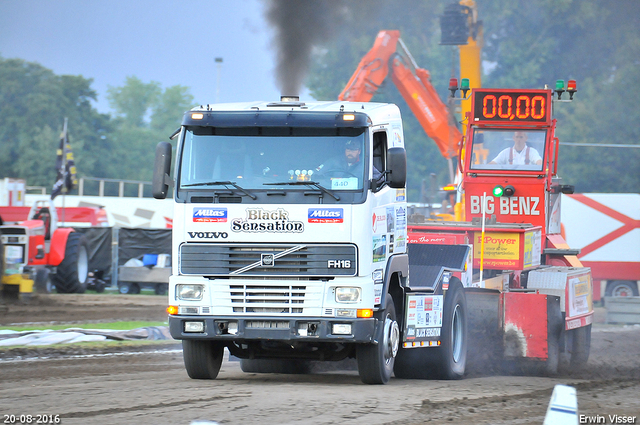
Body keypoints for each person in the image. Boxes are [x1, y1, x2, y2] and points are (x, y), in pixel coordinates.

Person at [316, 139, 381, 180]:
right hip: (332, 193)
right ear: (345, 150)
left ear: (359, 151)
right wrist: (329, 179)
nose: (350, 153)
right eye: (348, 150)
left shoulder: (365, 163)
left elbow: (380, 178)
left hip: (357, 195)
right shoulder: (334, 161)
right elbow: (317, 174)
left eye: (353, 150)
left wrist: (360, 181)